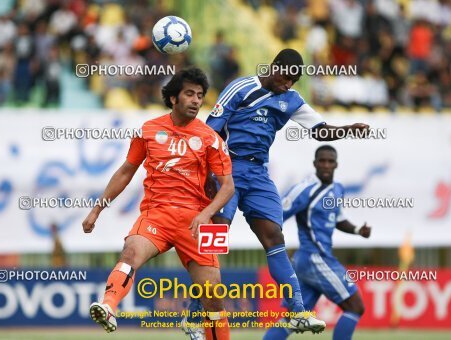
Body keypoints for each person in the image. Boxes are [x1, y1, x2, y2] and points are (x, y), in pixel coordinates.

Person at [183, 48, 370, 335]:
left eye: (293, 82)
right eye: (285, 78)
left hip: (258, 173)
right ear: (274, 67)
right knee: (216, 236)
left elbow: (319, 129)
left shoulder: (291, 99)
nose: (288, 85)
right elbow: (212, 132)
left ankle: (297, 312)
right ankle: (194, 315)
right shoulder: (241, 88)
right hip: (228, 167)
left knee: (275, 236)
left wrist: (347, 129)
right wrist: (211, 174)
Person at [82, 67, 234, 339]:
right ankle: (108, 306)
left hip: (196, 220)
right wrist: (96, 209)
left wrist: (206, 214)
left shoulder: (211, 138)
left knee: (213, 296)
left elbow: (228, 187)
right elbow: (125, 171)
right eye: (189, 94)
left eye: (200, 95)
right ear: (173, 98)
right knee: (130, 252)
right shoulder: (149, 130)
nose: (196, 101)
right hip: (157, 215)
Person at [264, 145, 371, 340]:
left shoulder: (337, 188)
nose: (326, 165)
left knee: (292, 320)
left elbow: (337, 218)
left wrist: (357, 230)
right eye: (322, 161)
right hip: (315, 257)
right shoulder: (304, 189)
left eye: (330, 161)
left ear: (336, 164)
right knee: (355, 306)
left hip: (309, 262)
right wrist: (277, 247)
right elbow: (276, 216)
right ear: (315, 163)